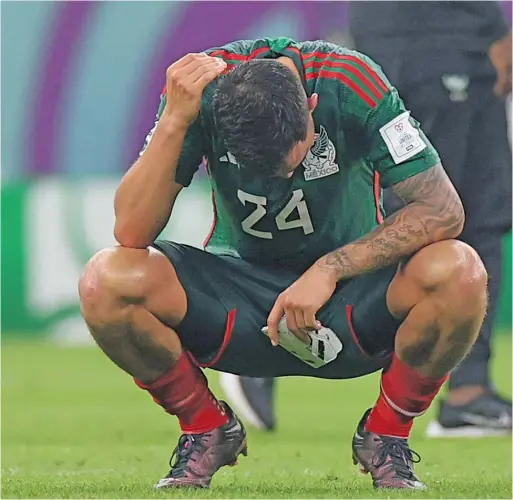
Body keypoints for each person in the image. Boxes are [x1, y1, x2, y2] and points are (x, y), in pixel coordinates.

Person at [79, 38, 488, 490]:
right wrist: (175, 120)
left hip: (351, 298)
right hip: (239, 299)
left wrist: (330, 269)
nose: (285, 179)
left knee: (459, 270)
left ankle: (386, 436)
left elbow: (443, 209)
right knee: (107, 280)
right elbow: (131, 233)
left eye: (295, 161)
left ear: (312, 106)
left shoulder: (352, 82)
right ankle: (206, 429)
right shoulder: (201, 95)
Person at [226, 2, 513, 438]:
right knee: (417, 216)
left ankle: (470, 392)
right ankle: (265, 337)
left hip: (459, 42)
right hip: (428, 40)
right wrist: (491, 28)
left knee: (482, 217)